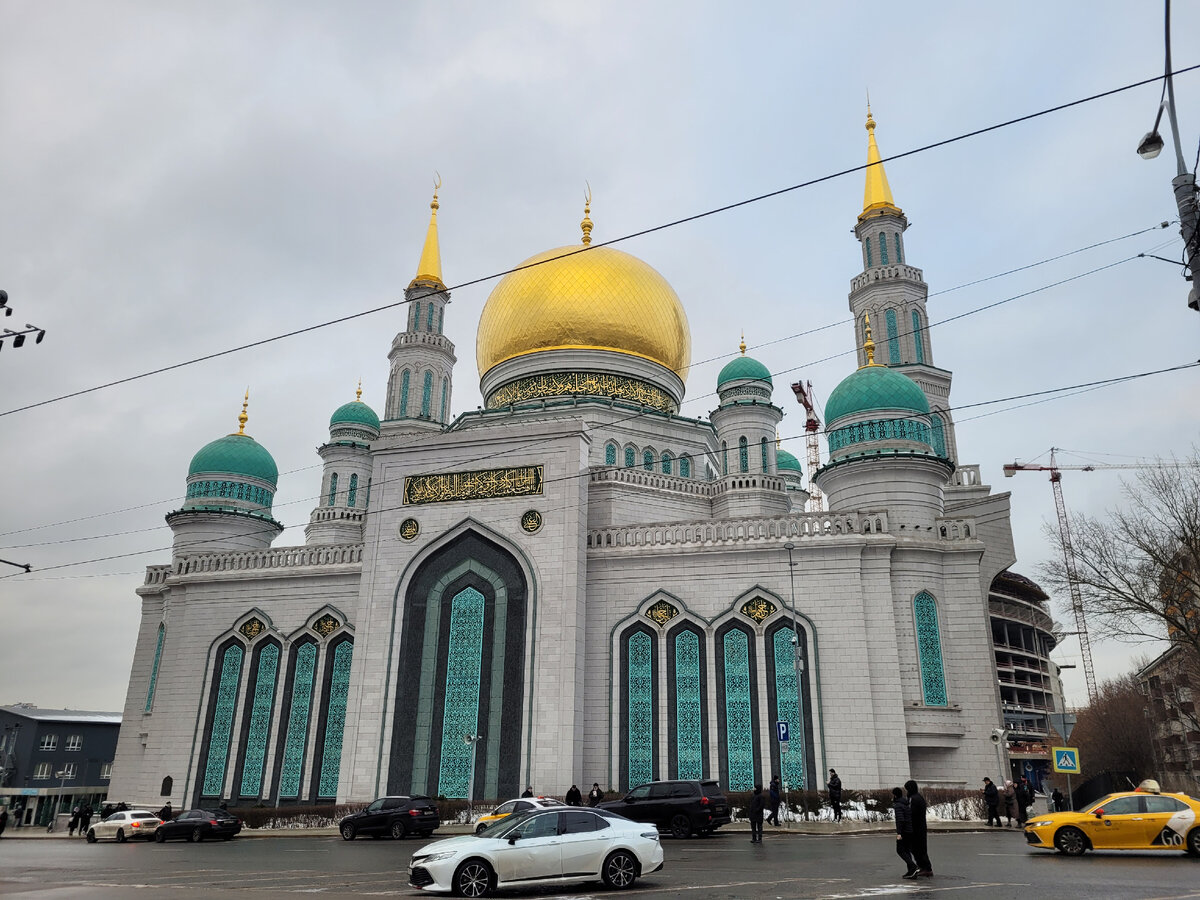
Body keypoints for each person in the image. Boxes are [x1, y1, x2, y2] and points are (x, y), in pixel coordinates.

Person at [904, 780, 932, 878]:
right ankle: (925, 867)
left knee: (916, 849)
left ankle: (926, 868)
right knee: (920, 848)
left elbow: (911, 813)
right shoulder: (918, 797)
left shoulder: (913, 798)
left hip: (915, 828)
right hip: (920, 826)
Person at [892, 787, 917, 879]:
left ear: (895, 795)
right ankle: (911, 871)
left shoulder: (898, 805)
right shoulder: (905, 803)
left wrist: (899, 833)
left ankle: (913, 867)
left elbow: (900, 820)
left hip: (904, 831)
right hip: (910, 830)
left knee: (900, 850)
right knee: (906, 850)